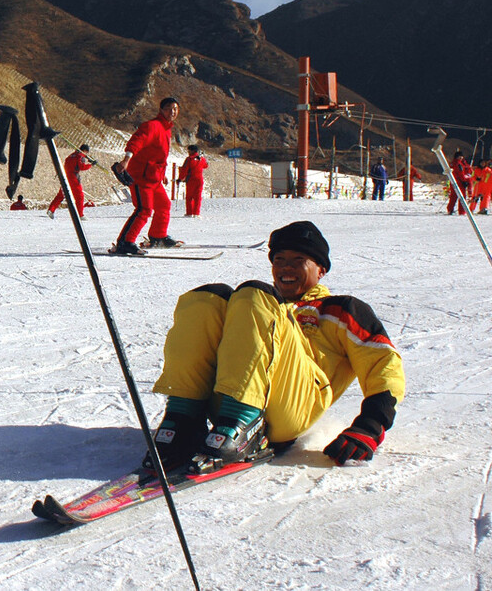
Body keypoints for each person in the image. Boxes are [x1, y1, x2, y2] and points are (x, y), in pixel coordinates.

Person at [144, 221, 405, 473]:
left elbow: (383, 362)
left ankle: (243, 420)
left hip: (293, 407)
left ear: (321, 269)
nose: (285, 268)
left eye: (298, 261)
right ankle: (184, 419)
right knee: (208, 298)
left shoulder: (340, 309)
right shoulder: (255, 307)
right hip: (224, 402)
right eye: (279, 260)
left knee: (254, 294)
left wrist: (370, 425)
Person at [111, 97, 180, 254]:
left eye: (175, 109)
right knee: (144, 209)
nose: (172, 111)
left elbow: (158, 156)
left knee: (164, 205)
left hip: (154, 177)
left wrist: (162, 174)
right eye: (169, 108)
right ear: (161, 110)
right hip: (141, 177)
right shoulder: (152, 126)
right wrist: (126, 160)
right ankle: (125, 242)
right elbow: (136, 142)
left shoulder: (166, 129)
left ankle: (158, 236)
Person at [47, 144, 94, 219]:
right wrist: (90, 165)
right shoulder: (80, 157)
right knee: (79, 196)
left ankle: (51, 210)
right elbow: (81, 167)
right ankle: (80, 215)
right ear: (85, 151)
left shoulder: (71, 155)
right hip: (74, 178)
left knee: (61, 195)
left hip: (65, 177)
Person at [178, 145, 208, 217]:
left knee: (189, 197)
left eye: (189, 150)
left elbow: (184, 170)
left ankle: (189, 213)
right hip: (199, 180)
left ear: (193, 151)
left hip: (191, 179)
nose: (188, 152)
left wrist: (180, 178)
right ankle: (196, 213)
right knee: (197, 197)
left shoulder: (189, 159)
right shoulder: (201, 159)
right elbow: (206, 166)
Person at [446, 149, 473, 215]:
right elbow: (460, 173)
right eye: (460, 156)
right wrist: (464, 181)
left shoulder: (454, 163)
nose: (461, 158)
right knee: (462, 197)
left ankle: (450, 209)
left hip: (453, 182)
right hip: (460, 183)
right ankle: (461, 211)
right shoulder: (458, 164)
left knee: (453, 197)